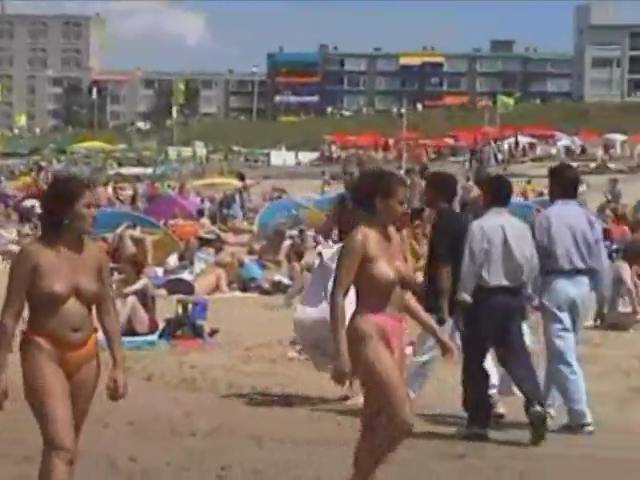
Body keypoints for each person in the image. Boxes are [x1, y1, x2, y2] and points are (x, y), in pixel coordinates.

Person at [329, 168, 454, 480]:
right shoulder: (360, 239)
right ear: (379, 201)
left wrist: (436, 333)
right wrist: (340, 353)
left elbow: (402, 297)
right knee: (402, 420)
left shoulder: (396, 238)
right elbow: (338, 295)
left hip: (396, 327)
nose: (405, 208)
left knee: (373, 421)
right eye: (399, 202)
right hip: (367, 329)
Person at [0, 174, 127, 480]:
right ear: (66, 211)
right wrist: (1, 369)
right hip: (44, 351)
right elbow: (10, 315)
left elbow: (107, 310)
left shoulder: (96, 255)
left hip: (86, 354)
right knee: (61, 445)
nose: (95, 213)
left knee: (66, 448)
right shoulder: (33, 255)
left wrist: (119, 364)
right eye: (89, 207)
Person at [457, 174, 547, 444]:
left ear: (486, 196)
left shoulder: (478, 227)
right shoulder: (521, 227)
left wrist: (463, 296)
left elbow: (471, 265)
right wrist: (528, 294)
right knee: (516, 354)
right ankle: (535, 402)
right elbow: (532, 264)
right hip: (513, 296)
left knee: (475, 359)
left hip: (484, 297)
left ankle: (478, 421)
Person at [535, 163, 609, 434]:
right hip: (583, 285)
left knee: (562, 351)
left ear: (555, 186)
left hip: (556, 282)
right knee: (563, 350)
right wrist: (602, 297)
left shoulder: (546, 218)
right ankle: (546, 405)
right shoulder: (589, 218)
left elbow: (536, 259)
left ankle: (580, 415)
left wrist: (531, 291)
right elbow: (600, 260)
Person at [406, 172, 467, 399]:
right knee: (470, 347)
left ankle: (405, 394)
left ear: (436, 192)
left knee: (426, 350)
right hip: (461, 294)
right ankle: (492, 394)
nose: (423, 193)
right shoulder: (459, 220)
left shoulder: (443, 222)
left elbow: (444, 266)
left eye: (427, 189)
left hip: (445, 299)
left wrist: (442, 304)